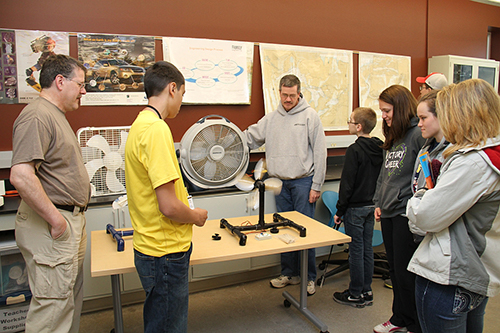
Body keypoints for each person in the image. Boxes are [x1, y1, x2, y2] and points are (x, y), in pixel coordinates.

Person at [406, 79, 500, 333]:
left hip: (449, 277)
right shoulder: (492, 154)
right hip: (476, 268)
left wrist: (420, 195)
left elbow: (424, 216)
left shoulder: (472, 163)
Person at [124, 61, 208, 333]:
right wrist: (196, 217)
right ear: (172, 89)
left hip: (149, 246)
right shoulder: (158, 130)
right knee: (169, 326)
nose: (181, 103)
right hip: (165, 252)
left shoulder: (139, 125)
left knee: (157, 320)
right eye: (182, 95)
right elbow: (169, 206)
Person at [10, 54, 90, 333]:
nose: (83, 91)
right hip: (54, 224)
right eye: (80, 84)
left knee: (65, 302)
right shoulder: (37, 116)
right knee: (51, 310)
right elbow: (21, 175)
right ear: (60, 81)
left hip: (68, 220)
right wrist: (56, 221)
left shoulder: (55, 115)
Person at [244, 74, 326, 296]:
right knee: (284, 229)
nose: (288, 99)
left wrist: (316, 185)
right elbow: (249, 139)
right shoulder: (270, 119)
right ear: (279, 92)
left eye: (292, 95)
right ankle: (290, 273)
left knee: (304, 232)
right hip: (279, 183)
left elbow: (320, 152)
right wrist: (229, 140)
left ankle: (309, 277)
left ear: (299, 93)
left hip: (303, 182)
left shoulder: (310, 117)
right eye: (284, 94)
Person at [373, 85, 425, 333]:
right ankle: (398, 318)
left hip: (405, 213)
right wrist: (378, 202)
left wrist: (406, 203)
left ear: (401, 107)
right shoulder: (395, 135)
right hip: (389, 211)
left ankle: (414, 323)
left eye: (387, 110)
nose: (383, 115)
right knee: (394, 269)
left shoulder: (418, 135)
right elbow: (385, 173)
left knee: (406, 274)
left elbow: (419, 177)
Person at [332, 107, 383, 308]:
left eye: (350, 121)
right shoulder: (380, 147)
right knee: (367, 248)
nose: (348, 124)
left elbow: (348, 184)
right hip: (372, 205)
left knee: (355, 250)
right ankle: (367, 290)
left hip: (355, 209)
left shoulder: (355, 150)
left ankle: (355, 293)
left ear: (359, 126)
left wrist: (340, 210)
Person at [409, 90, 450, 243]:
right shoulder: (425, 150)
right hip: (419, 227)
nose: (419, 124)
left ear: (441, 116)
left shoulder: (451, 154)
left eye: (423, 118)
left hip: (437, 232)